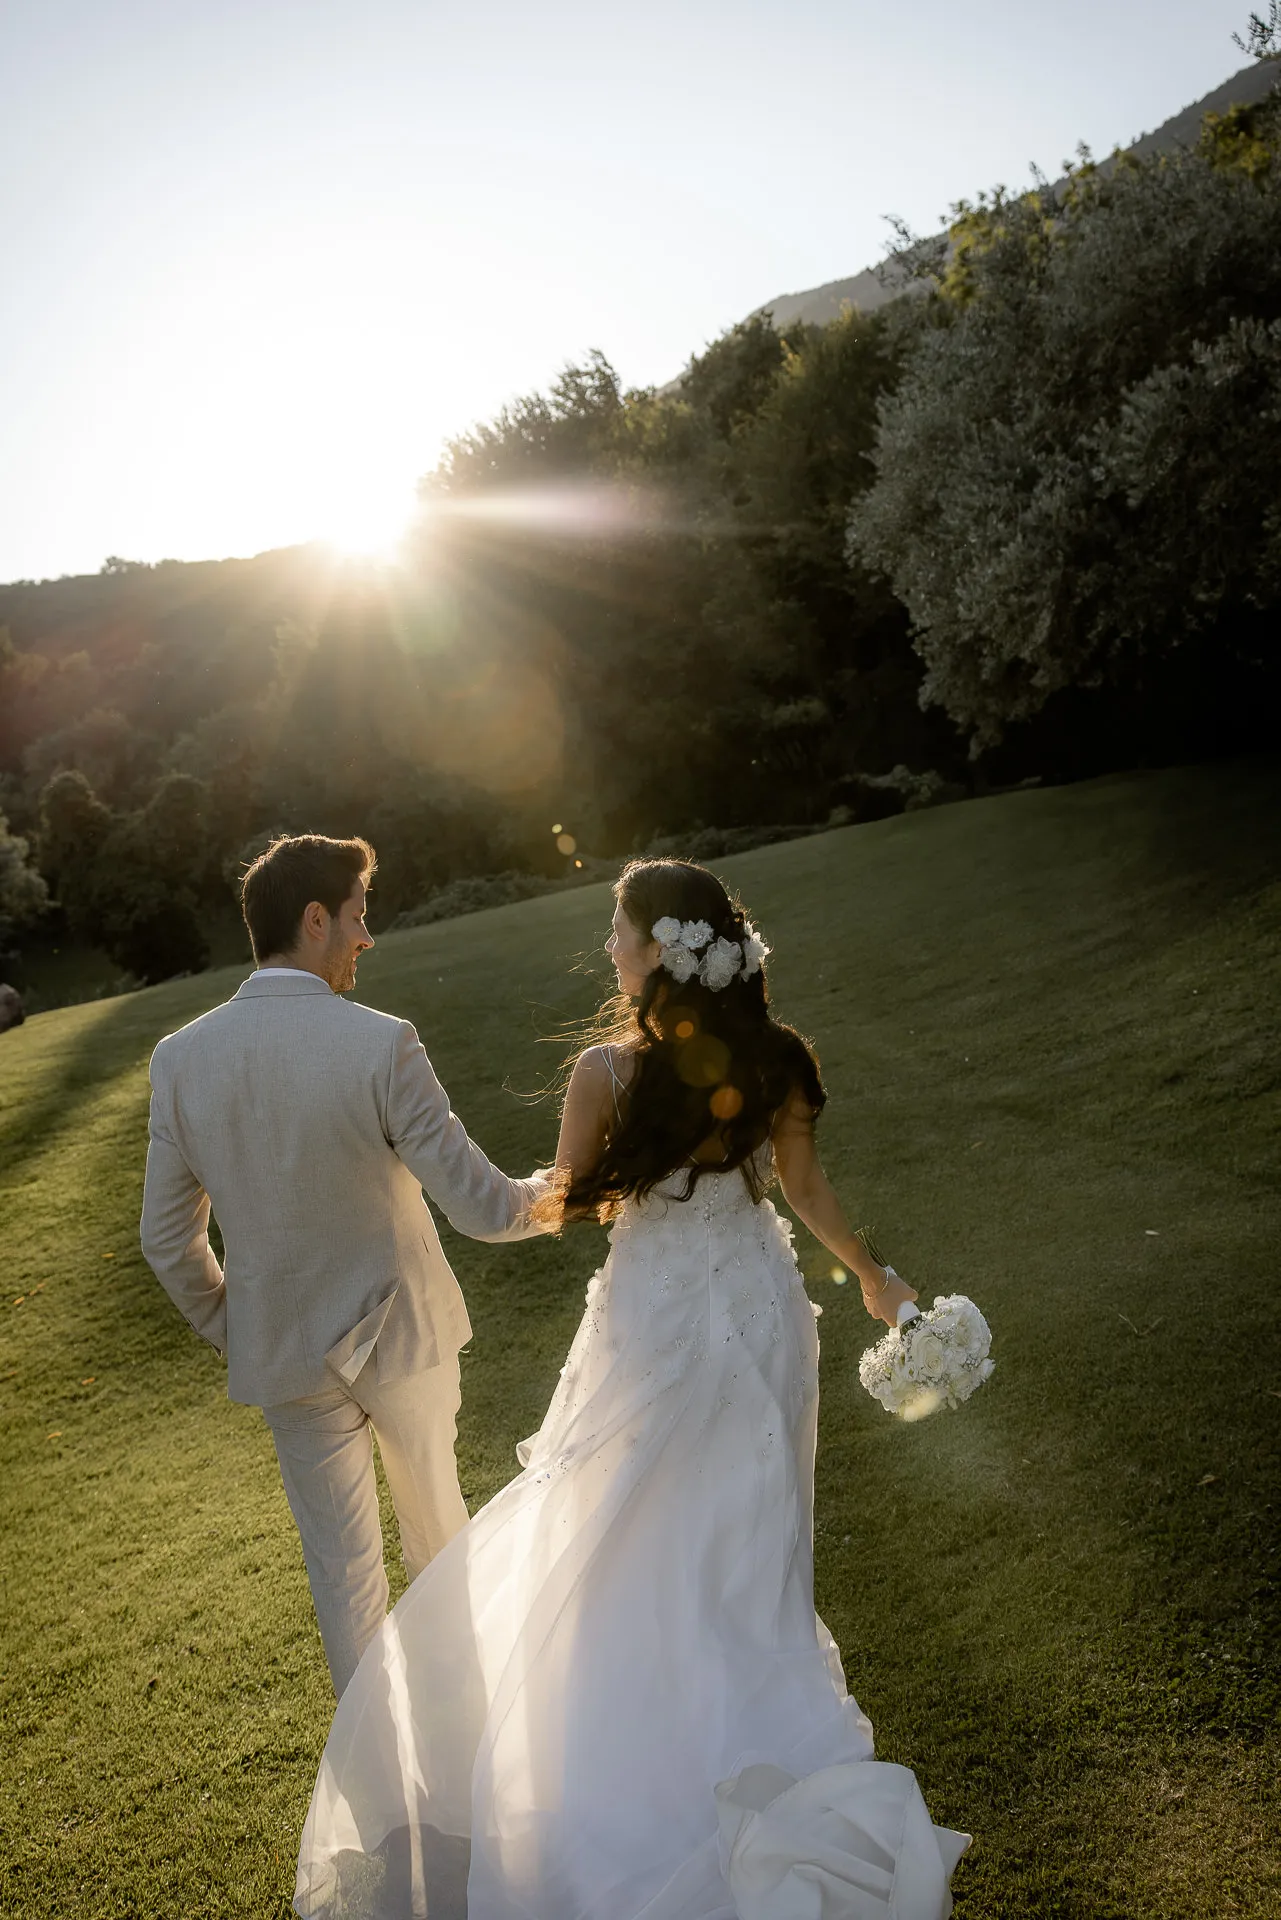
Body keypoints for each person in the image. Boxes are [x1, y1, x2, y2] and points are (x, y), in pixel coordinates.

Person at [294, 858, 969, 1919]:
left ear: (659, 949)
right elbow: (805, 1190)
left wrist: (444, 1183)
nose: (607, 948)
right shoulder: (775, 1057)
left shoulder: (606, 1076)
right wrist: (877, 1281)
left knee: (622, 1536)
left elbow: (566, 1200)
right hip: (757, 1314)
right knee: (747, 1547)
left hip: (655, 1324)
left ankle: (640, 1749)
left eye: (617, 932)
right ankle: (756, 1728)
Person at [139, 833, 549, 1698]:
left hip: (284, 1357)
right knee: (440, 1542)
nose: (368, 938)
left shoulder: (181, 1060)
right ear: (315, 918)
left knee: (343, 1583)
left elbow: (167, 1241)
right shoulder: (380, 1042)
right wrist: (567, 1188)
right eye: (359, 917)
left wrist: (233, 1326)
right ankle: (468, 1751)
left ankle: (377, 1798)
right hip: (403, 1336)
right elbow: (481, 1208)